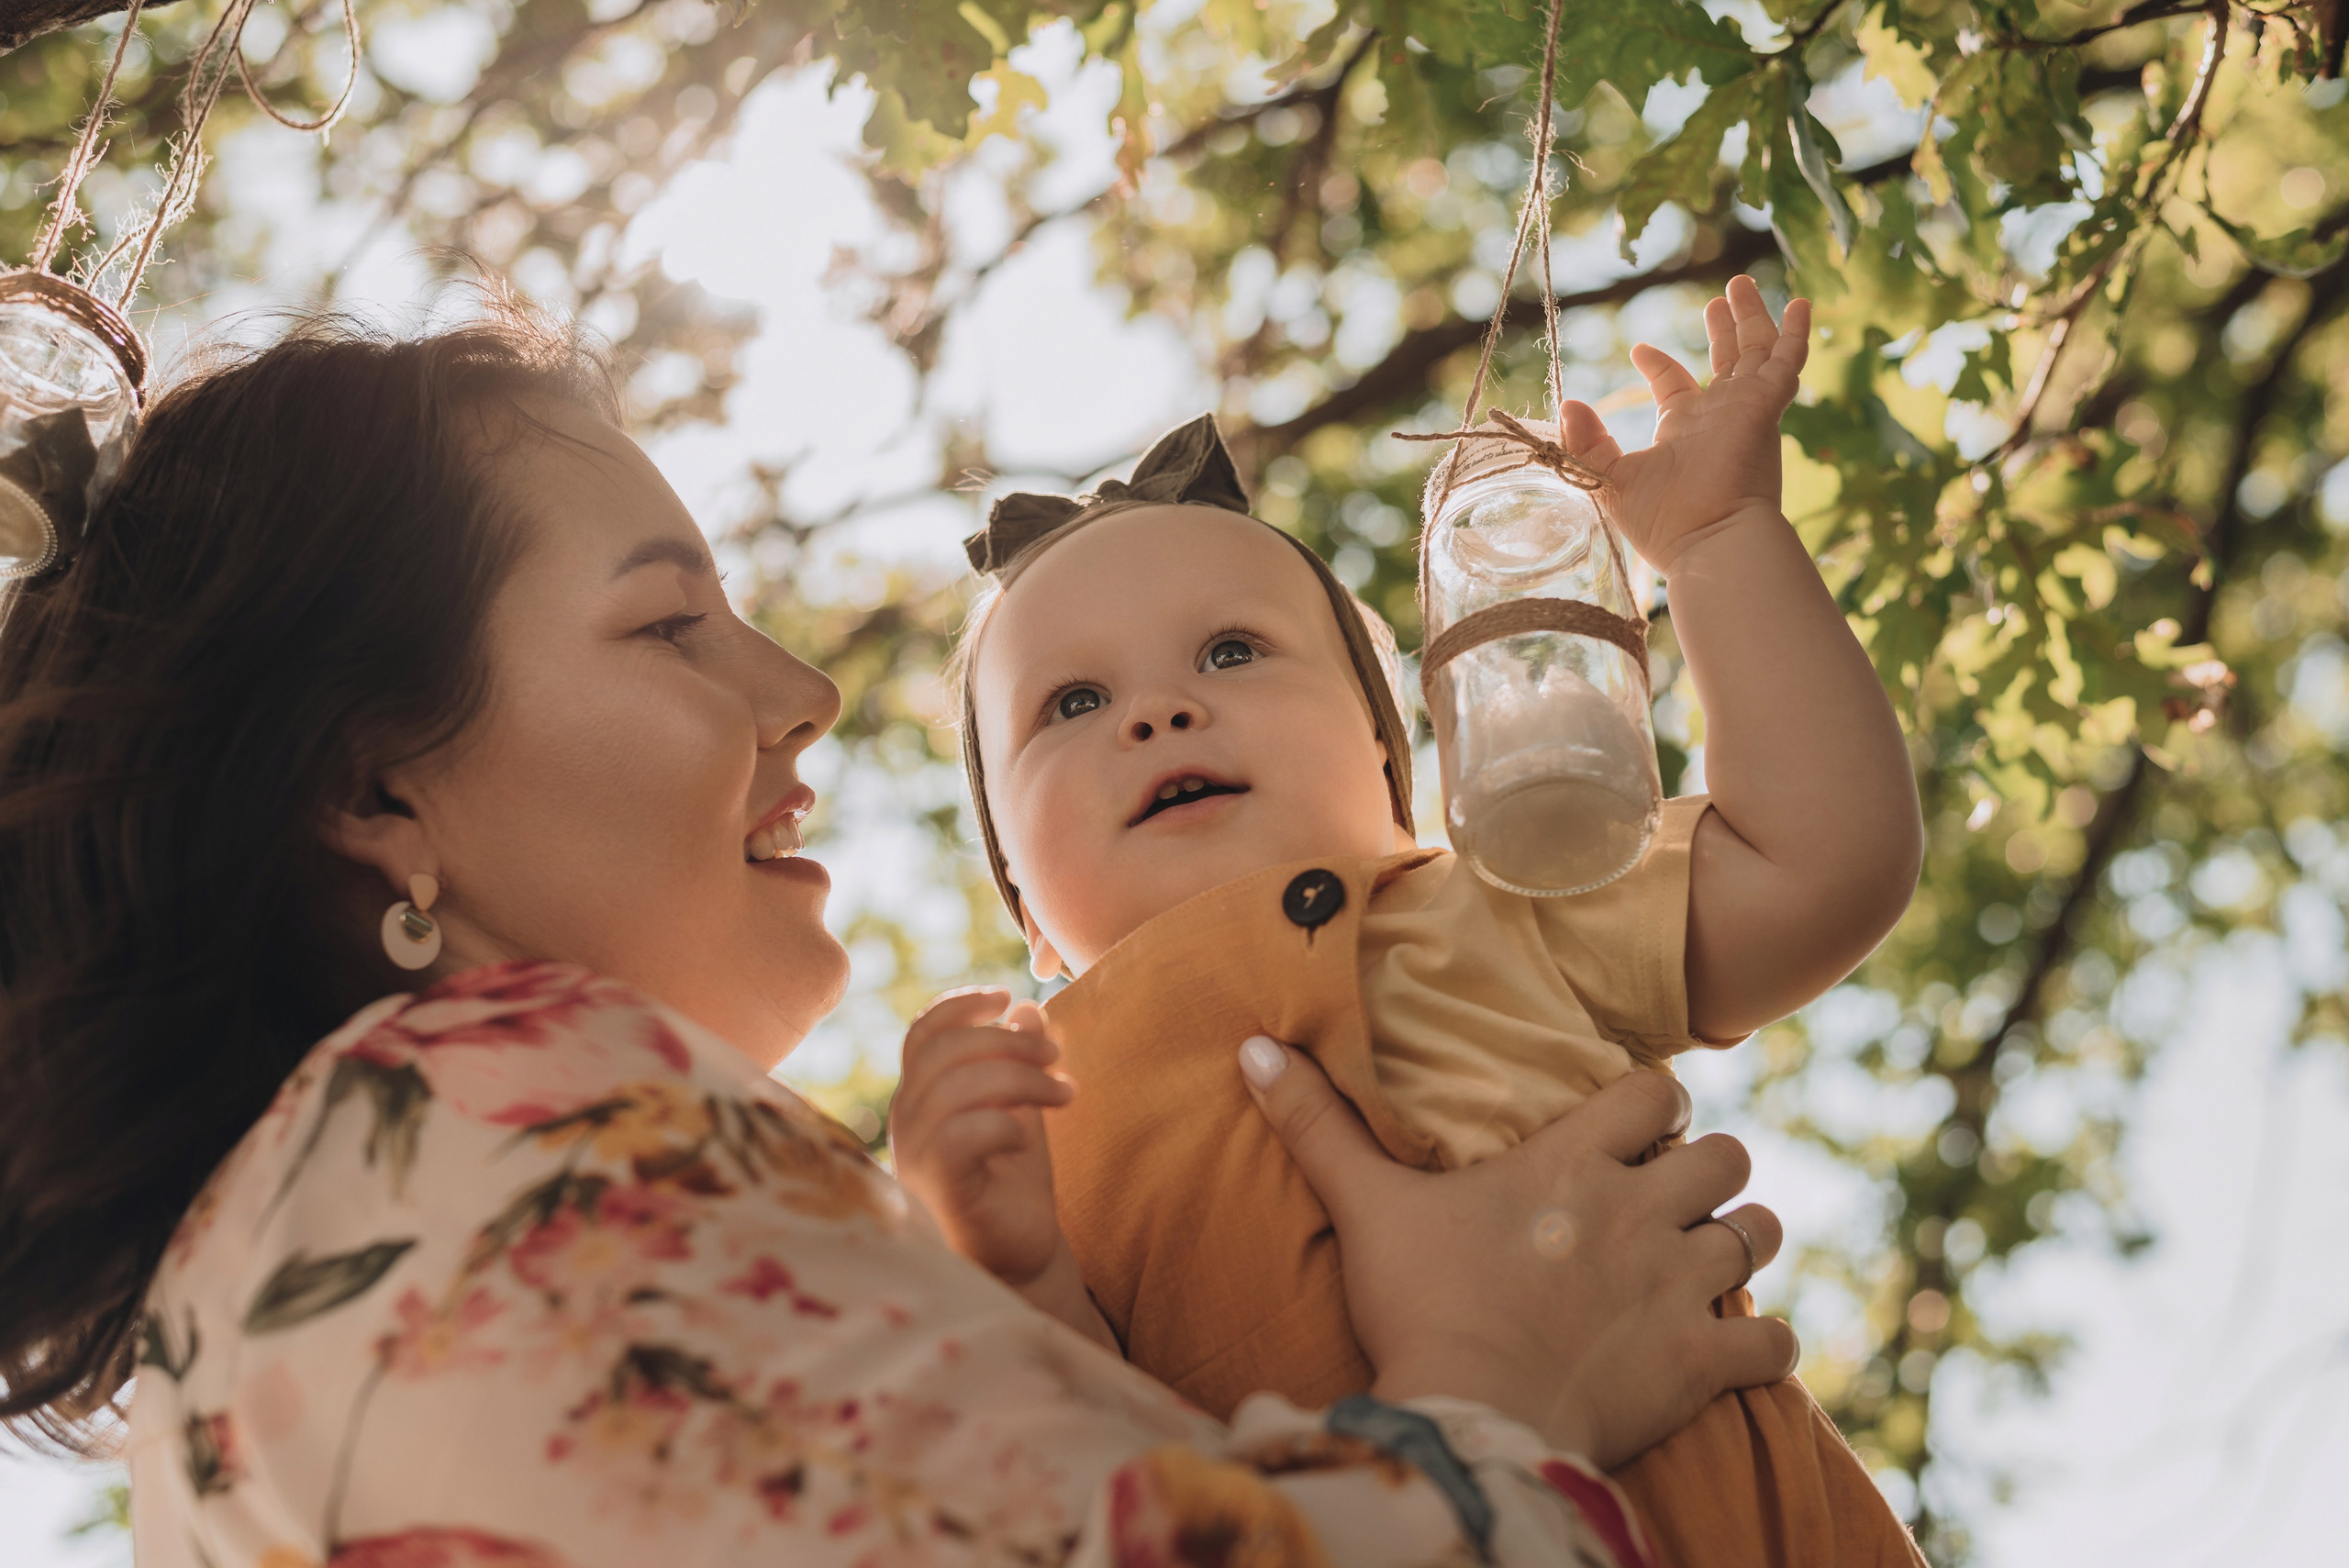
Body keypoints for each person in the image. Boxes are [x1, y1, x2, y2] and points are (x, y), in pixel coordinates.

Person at [0, 305, 1798, 1568]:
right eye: (668, 627)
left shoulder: (243, 1369)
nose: (801, 694)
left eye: (1234, 655)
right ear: (378, 787)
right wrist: (1502, 1380)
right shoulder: (496, 1115)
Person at [898, 279, 1927, 1565]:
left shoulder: (1487, 906)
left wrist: (1719, 541)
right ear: (1024, 907)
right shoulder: (1042, 1106)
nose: (1154, 713)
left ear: (1401, 776)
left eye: (1230, 652)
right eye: (1071, 703)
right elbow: (1088, 1461)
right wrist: (1007, 1254)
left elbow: (1819, 862)